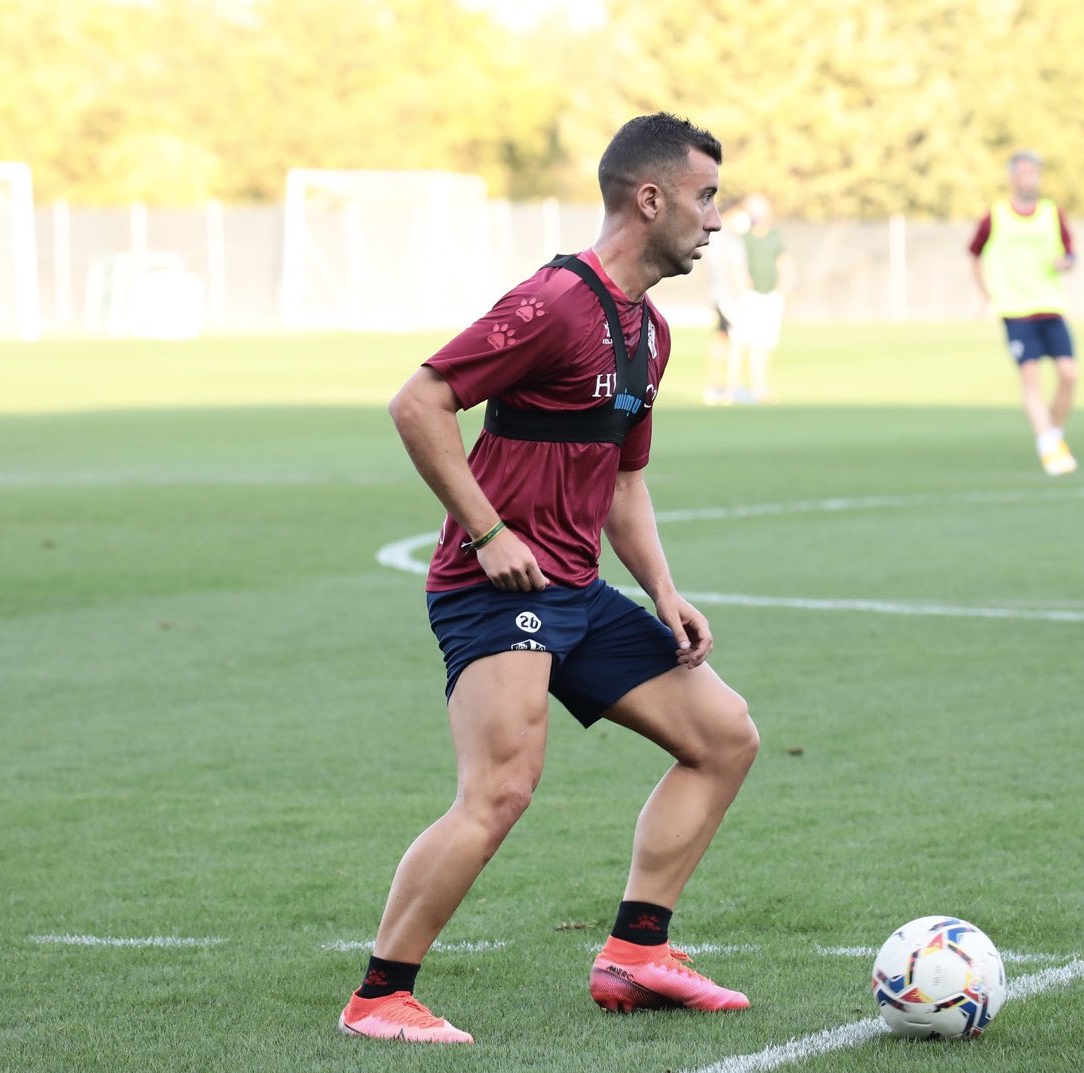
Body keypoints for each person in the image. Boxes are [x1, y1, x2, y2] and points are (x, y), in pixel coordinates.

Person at [338, 113, 761, 1045]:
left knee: (724, 735)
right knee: (500, 788)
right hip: (493, 591)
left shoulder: (647, 332)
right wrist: (487, 531)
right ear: (648, 199)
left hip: (573, 591)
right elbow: (419, 401)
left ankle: (636, 953)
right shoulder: (555, 302)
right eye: (704, 197)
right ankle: (379, 994)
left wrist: (662, 590)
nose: (716, 219)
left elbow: (623, 479)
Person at [969, 150, 1080, 476]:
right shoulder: (996, 215)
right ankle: (1047, 446)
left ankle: (1054, 434)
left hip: (1050, 305)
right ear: (1013, 177)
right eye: (1025, 173)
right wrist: (986, 294)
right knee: (1031, 378)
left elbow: (1072, 253)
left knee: (1069, 374)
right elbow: (973, 253)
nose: (1030, 179)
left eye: (1035, 173)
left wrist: (1067, 263)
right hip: (1015, 309)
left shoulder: (1051, 213)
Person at [737, 194, 792, 403]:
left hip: (771, 295)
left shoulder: (774, 236)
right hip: (751, 296)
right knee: (752, 340)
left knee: (766, 341)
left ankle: (762, 384)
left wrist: (784, 284)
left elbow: (784, 261)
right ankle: (753, 385)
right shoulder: (744, 238)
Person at [702, 199, 750, 405]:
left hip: (718, 296)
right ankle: (732, 387)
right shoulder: (729, 239)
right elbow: (734, 270)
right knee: (734, 342)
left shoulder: (716, 239)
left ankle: (715, 387)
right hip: (730, 299)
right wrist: (743, 294)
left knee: (720, 339)